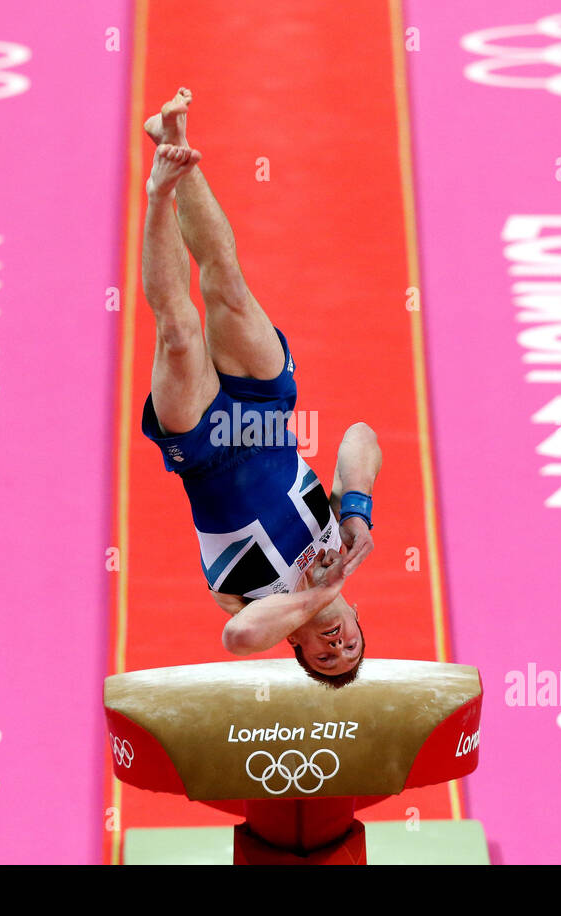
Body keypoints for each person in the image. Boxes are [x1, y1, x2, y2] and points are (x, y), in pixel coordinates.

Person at [139, 89, 382, 686]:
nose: (338, 644)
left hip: (202, 450)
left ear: (295, 649)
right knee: (228, 284)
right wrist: (356, 509)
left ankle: (160, 191)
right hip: (265, 414)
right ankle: (175, 140)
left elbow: (238, 639)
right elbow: (360, 436)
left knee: (177, 331)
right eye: (353, 646)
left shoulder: (248, 609)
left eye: (325, 656)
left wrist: (322, 597)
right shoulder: (343, 542)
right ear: (360, 624)